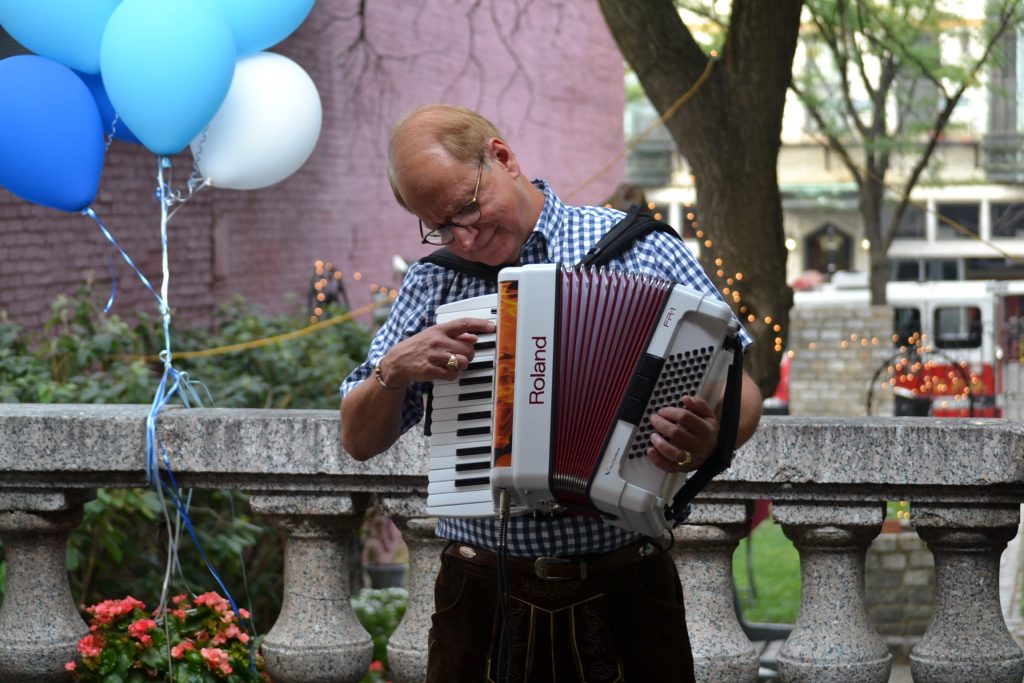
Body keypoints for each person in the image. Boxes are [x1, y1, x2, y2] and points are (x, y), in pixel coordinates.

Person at [340, 104, 763, 682]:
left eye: (467, 207)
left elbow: (742, 388)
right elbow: (358, 439)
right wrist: (396, 367)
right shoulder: (433, 282)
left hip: (623, 587)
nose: (463, 236)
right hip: (480, 593)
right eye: (441, 226)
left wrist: (708, 435)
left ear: (502, 158)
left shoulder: (639, 248)